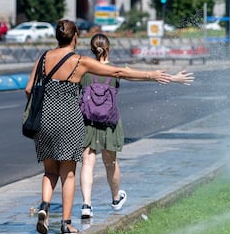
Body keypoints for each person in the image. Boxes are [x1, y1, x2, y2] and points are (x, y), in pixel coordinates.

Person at [25, 20, 194, 234]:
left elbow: (29, 89)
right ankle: (66, 224)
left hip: (45, 120)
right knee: (68, 173)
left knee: (50, 171)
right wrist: (151, 74)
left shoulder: (42, 58)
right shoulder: (80, 61)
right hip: (69, 119)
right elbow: (116, 72)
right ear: (75, 37)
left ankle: (45, 206)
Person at [79, 33, 194, 219]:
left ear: (92, 50)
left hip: (88, 122)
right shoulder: (116, 70)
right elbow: (141, 76)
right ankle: (116, 199)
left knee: (88, 161)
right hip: (110, 123)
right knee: (111, 163)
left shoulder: (83, 70)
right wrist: (173, 78)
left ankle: (86, 205)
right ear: (108, 49)